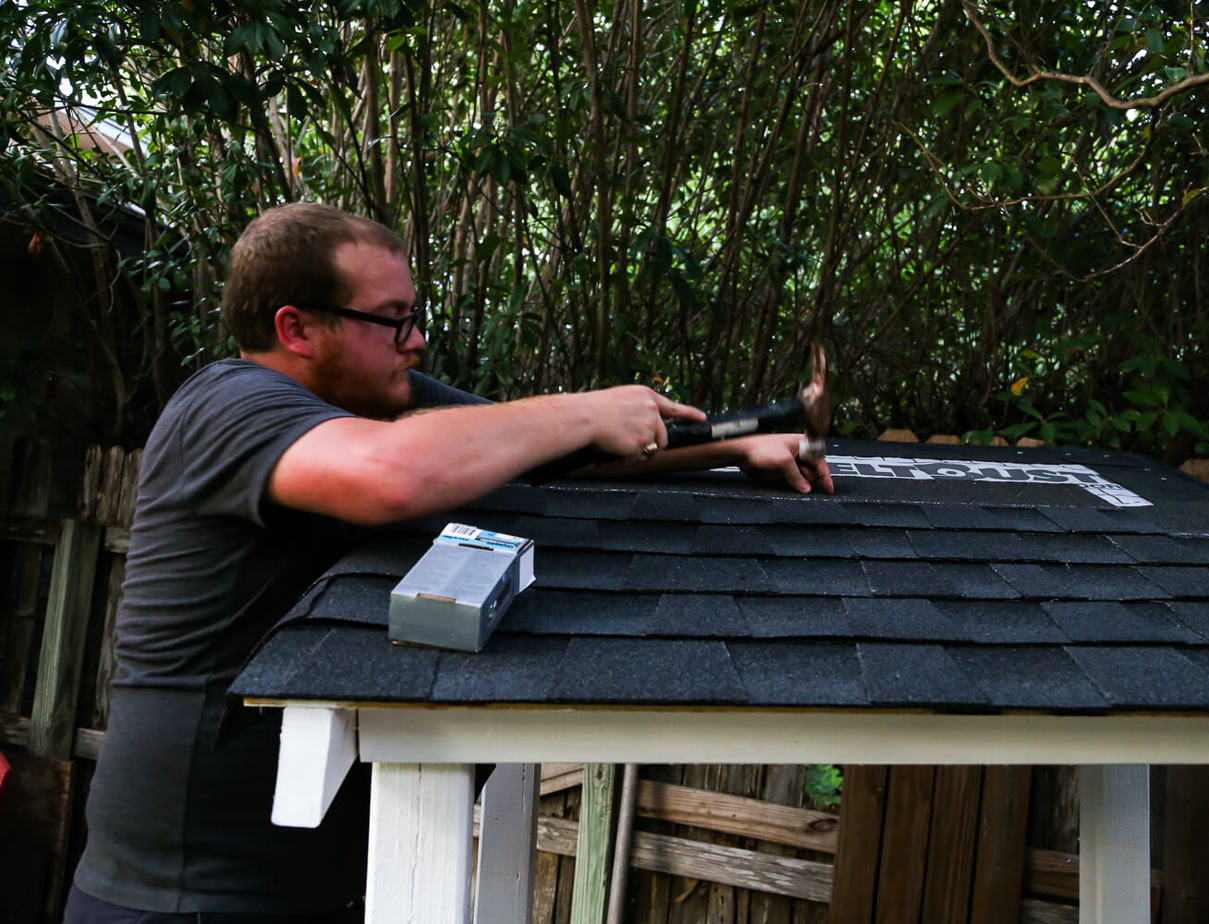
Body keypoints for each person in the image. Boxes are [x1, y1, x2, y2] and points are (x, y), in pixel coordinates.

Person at [65, 202, 832, 922]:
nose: (416, 341)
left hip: (317, 883)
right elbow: (391, 477)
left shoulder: (377, 403)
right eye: (392, 322)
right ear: (295, 327)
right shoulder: (227, 406)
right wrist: (584, 406)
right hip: (185, 890)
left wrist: (734, 447)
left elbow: (552, 455)